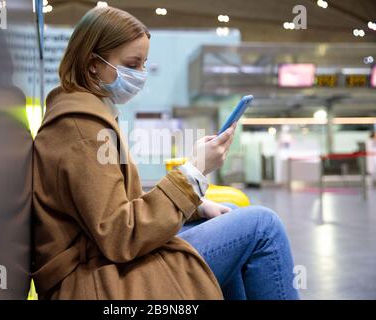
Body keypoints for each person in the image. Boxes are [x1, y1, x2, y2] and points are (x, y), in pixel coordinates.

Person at [32, 6, 299, 300]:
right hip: (92, 281)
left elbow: (116, 209)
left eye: (144, 64)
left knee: (227, 215)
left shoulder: (86, 116)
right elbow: (120, 235)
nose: (141, 74)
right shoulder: (81, 129)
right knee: (263, 225)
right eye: (132, 64)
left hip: (103, 262)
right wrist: (194, 172)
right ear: (93, 63)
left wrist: (194, 204)